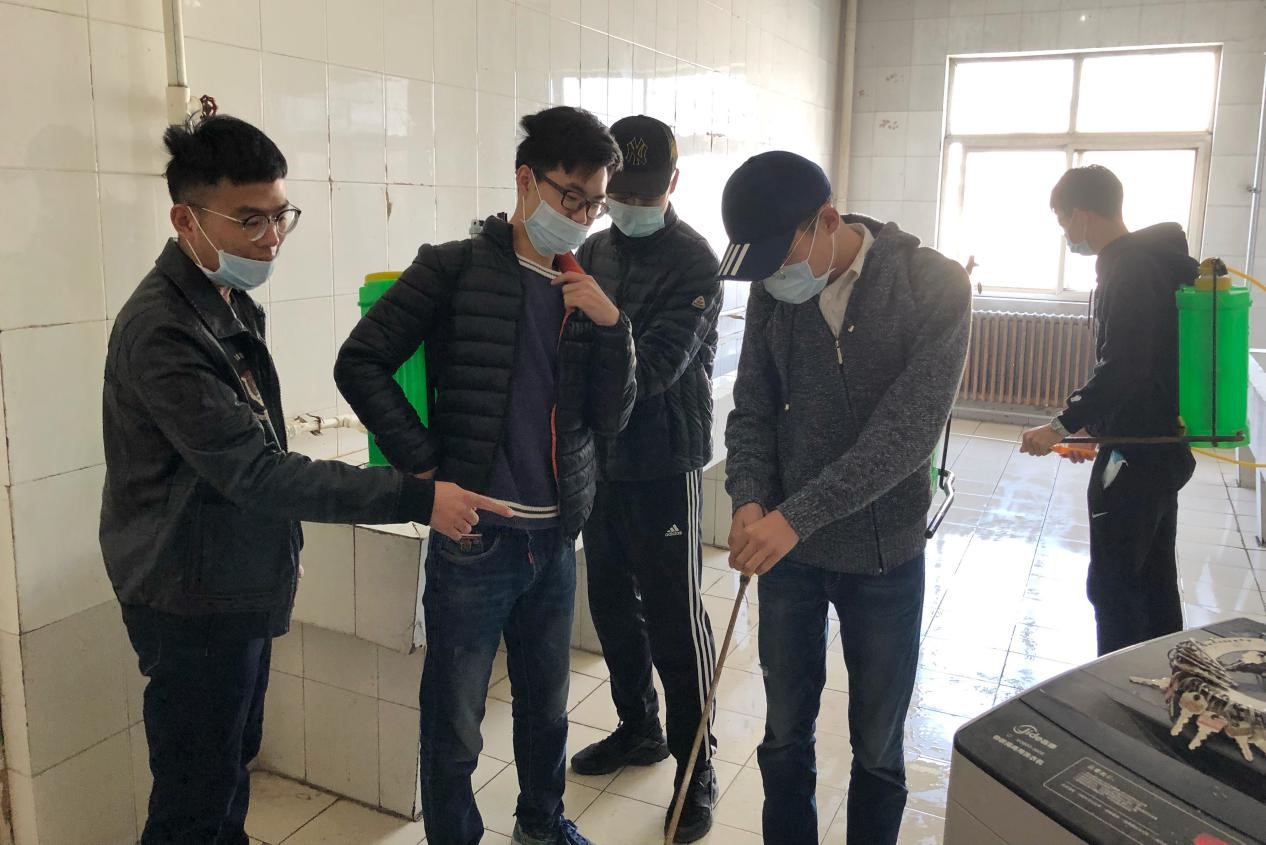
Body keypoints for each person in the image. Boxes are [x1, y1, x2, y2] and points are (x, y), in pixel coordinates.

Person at [100, 115, 510, 845]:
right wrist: (415, 494)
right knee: (193, 794)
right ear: (185, 219)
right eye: (249, 220)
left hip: (229, 579)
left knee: (229, 764)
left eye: (280, 215)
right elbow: (255, 471)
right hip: (188, 595)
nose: (271, 238)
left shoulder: (223, 302)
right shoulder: (165, 330)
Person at [334, 105, 635, 845]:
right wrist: (425, 466)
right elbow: (360, 363)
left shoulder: (584, 284)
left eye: (595, 204)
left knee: (547, 707)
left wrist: (614, 329)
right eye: (571, 197)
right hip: (474, 537)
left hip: (553, 535)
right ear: (525, 180)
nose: (582, 217)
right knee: (456, 718)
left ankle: (542, 823)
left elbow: (611, 416)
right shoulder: (454, 267)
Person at [720, 151, 971, 845]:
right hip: (788, 557)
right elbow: (752, 408)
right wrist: (749, 497)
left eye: (781, 257)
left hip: (883, 555)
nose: (773, 278)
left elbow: (906, 435)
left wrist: (795, 517)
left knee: (878, 746)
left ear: (828, 220)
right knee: (783, 733)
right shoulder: (775, 291)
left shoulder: (931, 285)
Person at [567, 115, 723, 842]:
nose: (628, 206)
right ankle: (639, 727)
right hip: (602, 460)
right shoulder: (594, 247)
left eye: (643, 193)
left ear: (673, 183)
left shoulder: (695, 261)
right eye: (618, 194)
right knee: (608, 601)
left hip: (663, 460)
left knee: (674, 617)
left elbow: (656, 369)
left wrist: (604, 326)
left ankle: (696, 766)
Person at [1020, 164, 1197, 656]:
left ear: (1081, 215)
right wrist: (1095, 429)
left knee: (1114, 584)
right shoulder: (1148, 262)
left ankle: (1117, 685)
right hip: (1158, 446)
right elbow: (1147, 367)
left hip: (1136, 458)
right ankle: (1165, 676)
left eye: (1063, 221)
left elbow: (1126, 366)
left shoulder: (1130, 268)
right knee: (1153, 576)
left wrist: (1060, 425)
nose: (1065, 233)